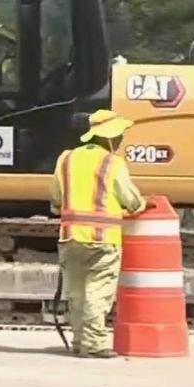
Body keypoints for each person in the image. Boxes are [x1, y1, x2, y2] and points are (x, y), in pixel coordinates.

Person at [50, 108, 148, 359]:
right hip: (103, 240)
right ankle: (94, 345)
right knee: (98, 292)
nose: (121, 139)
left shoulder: (66, 159)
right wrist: (141, 204)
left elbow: (56, 201)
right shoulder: (111, 163)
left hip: (71, 237)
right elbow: (131, 200)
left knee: (76, 293)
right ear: (107, 137)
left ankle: (80, 340)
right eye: (119, 134)